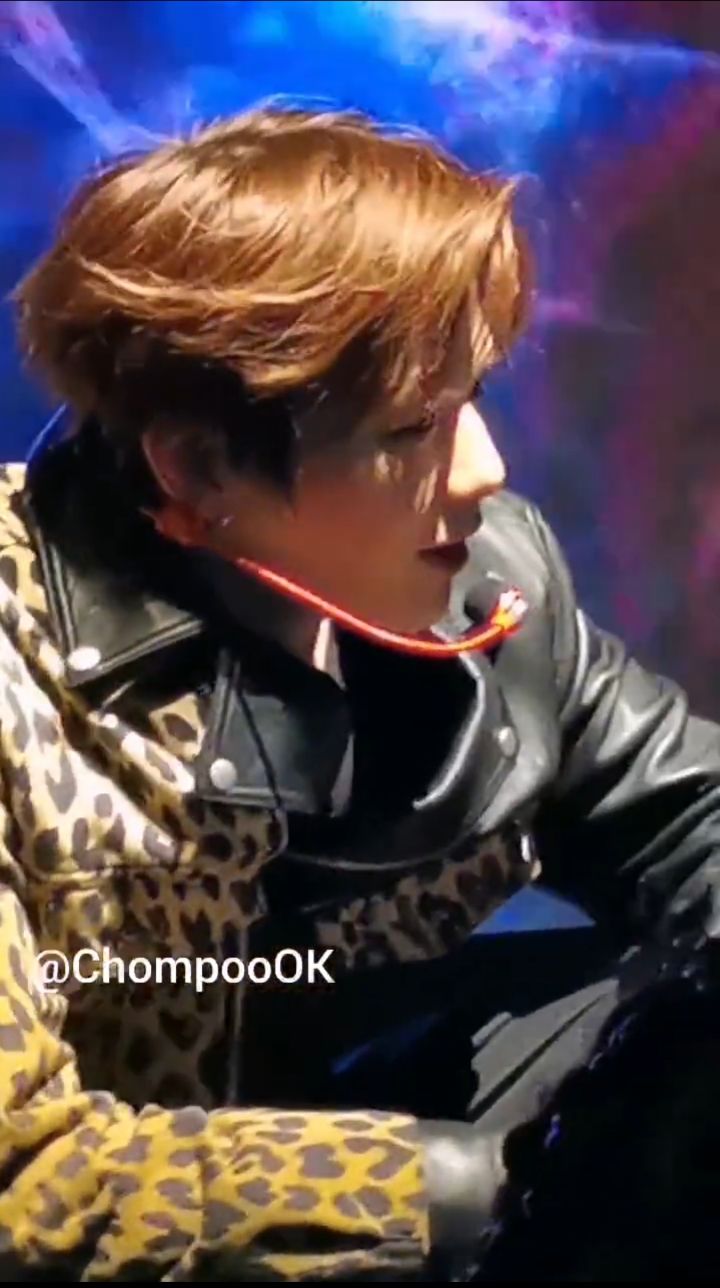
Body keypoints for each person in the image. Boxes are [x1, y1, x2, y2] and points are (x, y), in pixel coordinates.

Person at [0, 103, 719, 1281]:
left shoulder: (495, 582)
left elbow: (691, 816)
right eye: (412, 427)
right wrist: (510, 1191)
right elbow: (24, 1183)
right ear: (197, 464)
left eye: (473, 397)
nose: (485, 470)